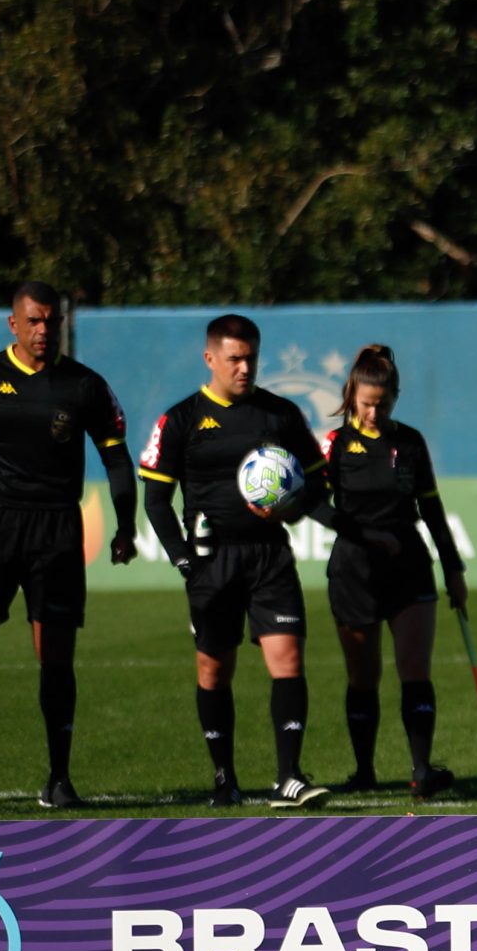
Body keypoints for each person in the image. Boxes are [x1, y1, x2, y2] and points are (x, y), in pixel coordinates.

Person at [0, 281, 137, 808]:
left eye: (51, 321)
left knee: (54, 657)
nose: (44, 330)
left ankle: (59, 776)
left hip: (56, 533)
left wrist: (125, 526)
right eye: (34, 321)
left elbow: (117, 456)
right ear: (14, 324)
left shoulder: (85, 386)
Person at [138, 314, 337, 808]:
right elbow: (156, 500)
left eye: (251, 357)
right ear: (210, 359)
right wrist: (185, 563)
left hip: (269, 556)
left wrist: (296, 509)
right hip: (213, 562)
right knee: (213, 671)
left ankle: (288, 777)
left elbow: (315, 483)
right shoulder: (181, 419)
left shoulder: (281, 415)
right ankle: (224, 779)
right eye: (234, 359)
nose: (245, 367)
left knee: (288, 661)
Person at [318, 346, 467, 800]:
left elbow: (433, 511)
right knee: (362, 679)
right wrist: (363, 534)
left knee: (414, 673)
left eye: (382, 403)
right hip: (353, 574)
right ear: (351, 396)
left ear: (395, 397)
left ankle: (422, 773)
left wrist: (453, 569)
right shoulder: (334, 445)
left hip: (410, 572)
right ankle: (364, 771)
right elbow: (314, 506)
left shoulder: (412, 443)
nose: (373, 411)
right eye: (365, 403)